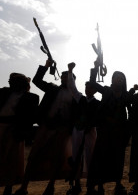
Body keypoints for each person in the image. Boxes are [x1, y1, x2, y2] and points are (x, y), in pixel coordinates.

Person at [15, 60, 76, 195]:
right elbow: (37, 80)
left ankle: (51, 186)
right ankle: (24, 186)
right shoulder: (52, 88)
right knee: (34, 156)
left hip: (63, 129)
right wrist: (46, 66)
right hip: (46, 125)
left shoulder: (76, 95)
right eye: (64, 76)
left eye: (69, 77)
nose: (65, 79)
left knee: (58, 157)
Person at [86, 61, 132, 195]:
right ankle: (99, 185)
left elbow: (130, 111)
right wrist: (95, 68)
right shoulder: (106, 90)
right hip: (105, 129)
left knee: (118, 158)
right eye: (117, 78)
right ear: (112, 79)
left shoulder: (125, 95)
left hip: (119, 131)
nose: (119, 80)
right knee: (101, 157)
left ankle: (118, 184)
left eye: (122, 79)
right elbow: (93, 83)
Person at [0, 73, 39, 195]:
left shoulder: (31, 98)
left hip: (14, 130)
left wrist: (22, 130)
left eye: (12, 80)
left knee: (12, 160)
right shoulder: (4, 92)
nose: (9, 82)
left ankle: (8, 187)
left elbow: (32, 117)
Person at [66, 63, 100, 195]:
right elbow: (71, 86)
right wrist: (70, 71)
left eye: (90, 87)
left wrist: (96, 68)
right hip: (78, 131)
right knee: (76, 156)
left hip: (90, 132)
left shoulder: (98, 103)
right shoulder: (80, 98)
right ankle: (76, 184)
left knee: (90, 157)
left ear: (95, 90)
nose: (87, 89)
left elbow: (97, 119)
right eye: (86, 87)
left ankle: (91, 186)